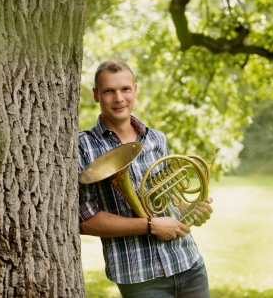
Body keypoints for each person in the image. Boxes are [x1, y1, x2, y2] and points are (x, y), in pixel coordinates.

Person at [78, 59, 213, 298]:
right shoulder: (83, 146)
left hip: (188, 263)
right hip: (140, 278)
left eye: (125, 89)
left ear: (135, 90)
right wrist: (150, 226)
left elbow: (168, 198)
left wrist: (190, 209)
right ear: (96, 95)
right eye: (109, 91)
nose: (119, 98)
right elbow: (85, 221)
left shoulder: (157, 139)